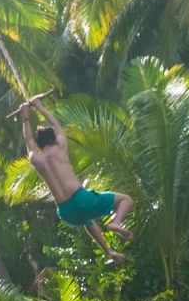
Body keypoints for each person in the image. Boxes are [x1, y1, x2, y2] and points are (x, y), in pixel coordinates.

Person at [20, 97, 131, 262]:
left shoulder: (36, 160)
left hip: (66, 212)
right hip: (80, 198)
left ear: (39, 147)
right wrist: (39, 106)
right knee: (126, 200)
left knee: (87, 221)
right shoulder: (61, 147)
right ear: (54, 139)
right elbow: (56, 124)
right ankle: (117, 222)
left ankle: (109, 252)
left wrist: (25, 116)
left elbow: (28, 140)